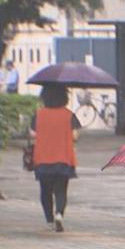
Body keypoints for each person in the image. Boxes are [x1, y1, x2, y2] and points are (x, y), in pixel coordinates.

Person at [29, 84, 80, 232]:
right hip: (63, 158)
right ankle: (59, 214)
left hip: (43, 158)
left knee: (45, 191)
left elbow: (32, 133)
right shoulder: (68, 115)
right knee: (61, 189)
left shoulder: (39, 114)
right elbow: (75, 135)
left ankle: (49, 220)